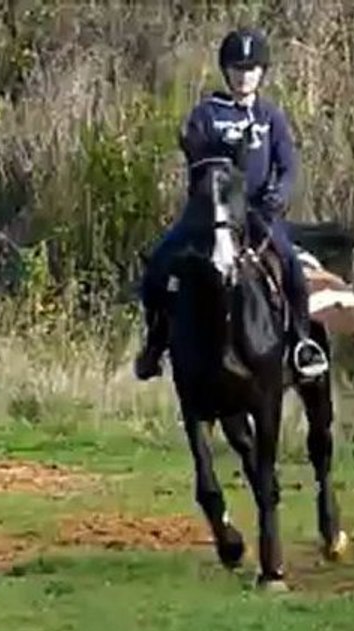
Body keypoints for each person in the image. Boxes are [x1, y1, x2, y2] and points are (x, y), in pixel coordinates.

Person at [134, 27, 330, 382]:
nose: (245, 76)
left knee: (291, 266)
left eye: (252, 68)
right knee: (160, 262)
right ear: (226, 71)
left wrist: (279, 195)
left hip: (258, 214)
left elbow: (288, 166)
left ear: (262, 73)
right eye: (238, 68)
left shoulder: (272, 117)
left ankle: (302, 343)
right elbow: (196, 165)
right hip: (210, 214)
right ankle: (155, 343)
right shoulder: (206, 114)